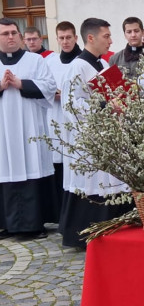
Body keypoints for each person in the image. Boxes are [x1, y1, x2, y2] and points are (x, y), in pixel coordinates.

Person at [59, 18, 131, 249]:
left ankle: (113, 228)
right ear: (91, 38)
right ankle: (84, 233)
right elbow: (71, 105)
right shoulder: (77, 67)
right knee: (95, 183)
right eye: (106, 36)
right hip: (90, 140)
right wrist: (106, 106)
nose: (111, 40)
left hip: (108, 135)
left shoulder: (101, 64)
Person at [0, 18, 58, 239]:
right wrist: (2, 85)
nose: (11, 37)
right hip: (3, 132)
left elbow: (50, 86)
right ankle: (7, 224)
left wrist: (21, 84)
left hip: (30, 128)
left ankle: (34, 224)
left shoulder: (35, 61)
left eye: (14, 32)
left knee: (32, 166)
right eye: (5, 33)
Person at [46, 21, 83, 217]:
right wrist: (51, 93)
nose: (65, 41)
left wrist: (67, 95)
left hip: (77, 119)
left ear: (76, 38)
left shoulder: (83, 61)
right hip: (56, 117)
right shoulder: (50, 61)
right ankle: (60, 211)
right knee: (59, 164)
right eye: (61, 38)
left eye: (69, 37)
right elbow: (44, 85)